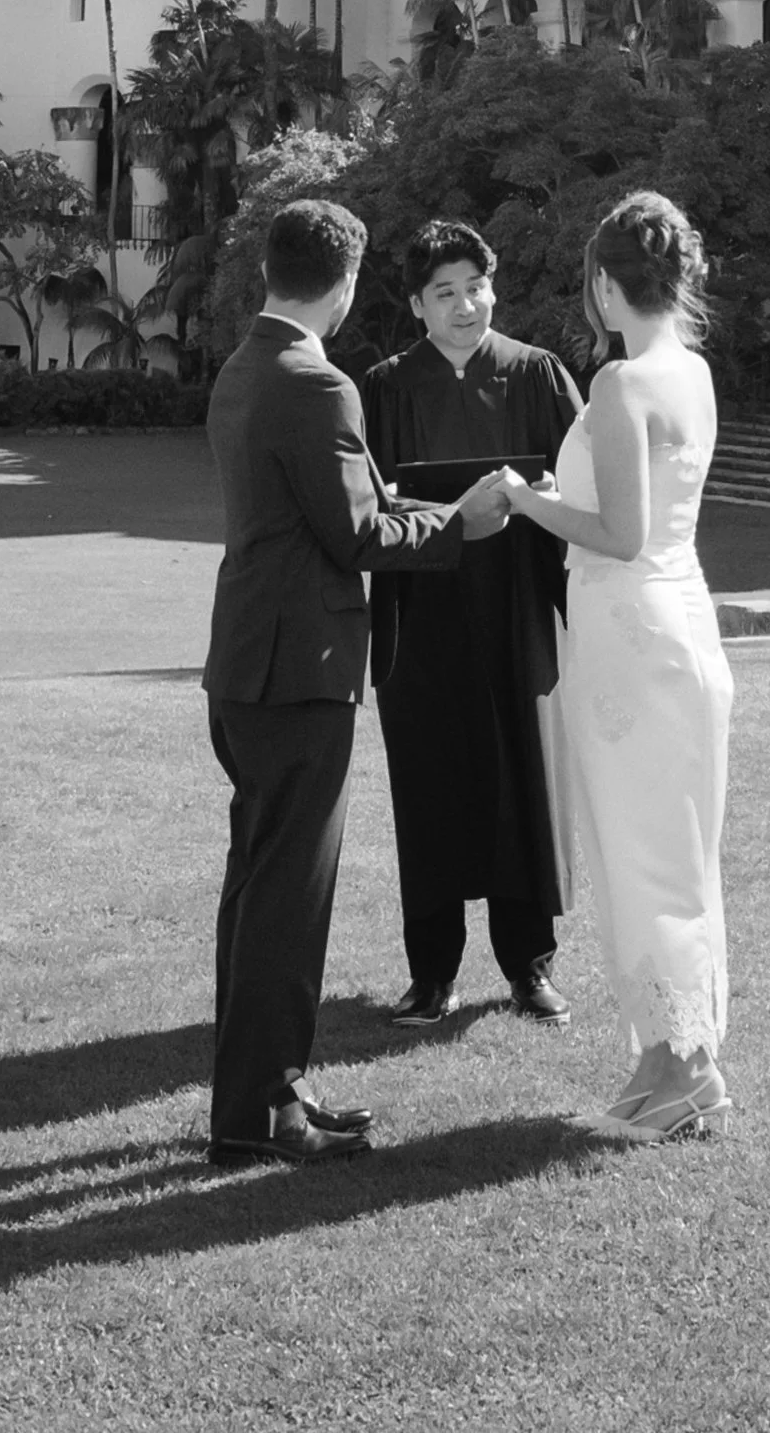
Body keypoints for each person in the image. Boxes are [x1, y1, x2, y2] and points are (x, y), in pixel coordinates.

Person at [202, 196, 513, 1167]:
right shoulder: (318, 381)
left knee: (258, 888)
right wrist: (460, 524)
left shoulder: (247, 364)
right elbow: (357, 532)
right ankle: (265, 1110)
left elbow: (357, 503)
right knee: (287, 897)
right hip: (300, 668)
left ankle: (253, 1100)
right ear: (342, 281)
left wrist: (436, 508)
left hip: (250, 659)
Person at [498, 190, 732, 1145]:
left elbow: (620, 535)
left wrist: (525, 499)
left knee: (646, 851)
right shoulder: (695, 373)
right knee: (665, 848)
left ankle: (685, 1069)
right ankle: (664, 1060)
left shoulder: (620, 386)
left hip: (633, 634)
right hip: (677, 624)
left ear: (603, 285)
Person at [362, 220, 585, 1028]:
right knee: (432, 785)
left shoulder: (538, 374)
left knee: (523, 781)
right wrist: (461, 511)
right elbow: (369, 504)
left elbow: (586, 494)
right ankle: (432, 973)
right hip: (423, 619)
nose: (465, 307)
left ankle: (530, 968)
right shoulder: (384, 388)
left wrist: (545, 497)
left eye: (477, 288)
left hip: (519, 611)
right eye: (445, 294)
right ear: (418, 306)